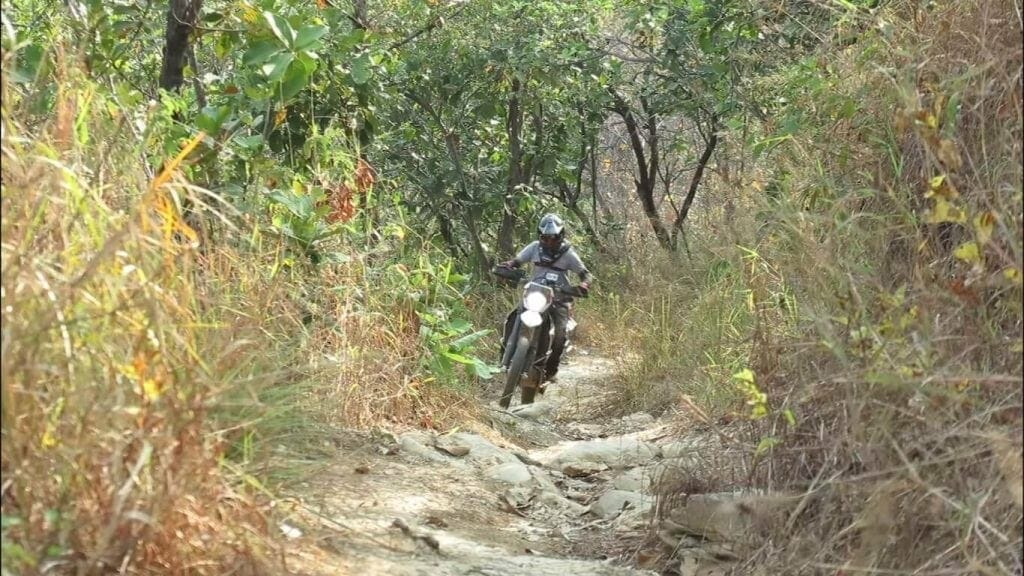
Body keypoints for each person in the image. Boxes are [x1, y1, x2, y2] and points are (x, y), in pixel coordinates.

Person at [500, 213, 592, 384]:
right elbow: (517, 261)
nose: (549, 242)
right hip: (534, 293)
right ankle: (504, 352)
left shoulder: (568, 254)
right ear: (540, 236)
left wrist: (584, 285)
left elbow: (585, 275)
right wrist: (509, 266)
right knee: (512, 318)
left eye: (554, 238)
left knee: (560, 333)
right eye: (545, 238)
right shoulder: (534, 247)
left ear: (561, 235)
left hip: (559, 297)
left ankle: (551, 370)